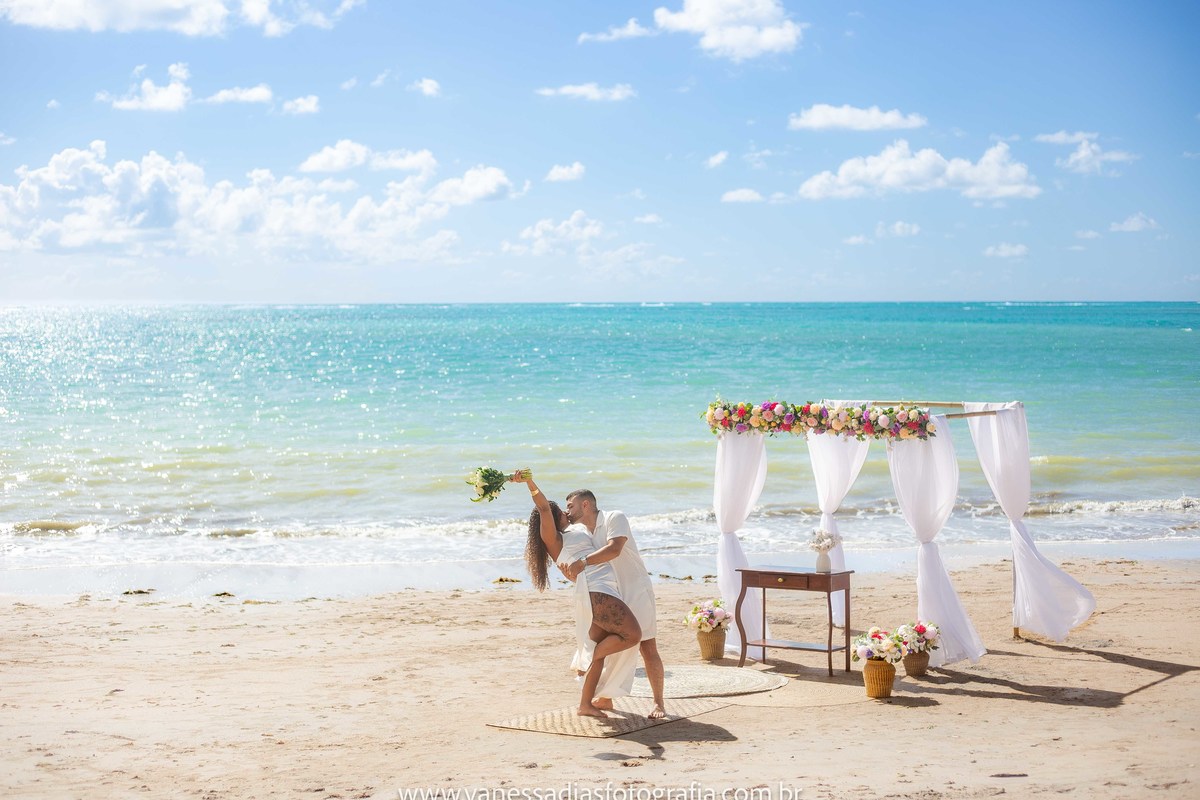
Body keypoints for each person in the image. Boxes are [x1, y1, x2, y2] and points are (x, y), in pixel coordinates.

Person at [514, 470, 641, 718]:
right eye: (562, 510)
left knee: (598, 647)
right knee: (632, 635)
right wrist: (529, 481)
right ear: (553, 517)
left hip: (601, 590)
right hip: (597, 591)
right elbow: (542, 508)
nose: (566, 512)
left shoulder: (574, 532)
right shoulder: (552, 537)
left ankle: (586, 704)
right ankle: (588, 662)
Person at [561, 489, 667, 719]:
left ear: (586, 504)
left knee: (647, 647)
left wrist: (583, 562)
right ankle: (606, 697)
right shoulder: (583, 534)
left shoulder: (614, 518)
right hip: (610, 594)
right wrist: (572, 571)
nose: (567, 511)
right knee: (605, 644)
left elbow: (615, 549)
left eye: (570, 506)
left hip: (635, 590)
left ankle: (659, 703)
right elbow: (585, 569)